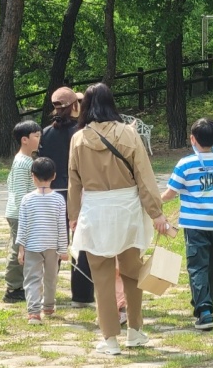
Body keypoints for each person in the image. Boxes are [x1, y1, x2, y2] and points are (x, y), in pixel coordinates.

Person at [68, 82, 169, 356]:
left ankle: (110, 339)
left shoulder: (78, 139)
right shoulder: (128, 133)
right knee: (132, 273)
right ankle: (135, 331)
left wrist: (74, 217)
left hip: (96, 211)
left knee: (101, 278)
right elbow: (144, 177)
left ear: (86, 106)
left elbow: (74, 183)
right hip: (127, 210)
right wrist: (156, 213)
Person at [160, 118, 213, 331]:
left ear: (193, 139)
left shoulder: (186, 164)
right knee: (212, 266)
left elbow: (170, 194)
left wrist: (153, 202)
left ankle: (204, 310)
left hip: (194, 225)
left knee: (197, 266)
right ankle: (207, 305)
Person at [37, 87, 96, 309]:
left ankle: (46, 292)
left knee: (53, 244)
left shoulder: (44, 133)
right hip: (78, 193)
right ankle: (81, 295)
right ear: (74, 106)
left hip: (53, 193)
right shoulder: (82, 133)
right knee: (80, 243)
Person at [16, 156, 69, 324]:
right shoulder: (59, 199)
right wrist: (63, 249)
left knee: (32, 278)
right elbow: (62, 226)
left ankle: (33, 312)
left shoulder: (27, 199)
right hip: (52, 247)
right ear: (54, 176)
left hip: (32, 246)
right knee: (51, 277)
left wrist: (21, 248)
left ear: (33, 176)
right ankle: (48, 306)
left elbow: (22, 226)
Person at [4, 119, 41, 303]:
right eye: (36, 136)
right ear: (24, 140)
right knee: (18, 249)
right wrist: (24, 215)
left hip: (22, 213)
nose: (39, 139)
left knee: (22, 249)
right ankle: (13, 288)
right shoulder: (22, 163)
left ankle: (20, 285)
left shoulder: (26, 160)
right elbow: (19, 192)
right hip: (19, 213)